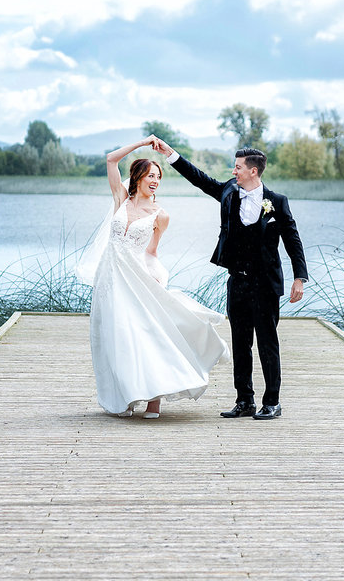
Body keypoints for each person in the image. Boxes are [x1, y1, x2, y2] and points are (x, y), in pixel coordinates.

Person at [152, 139, 308, 420]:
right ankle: (244, 400)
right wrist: (171, 155)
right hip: (237, 281)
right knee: (240, 343)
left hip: (266, 285)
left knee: (268, 343)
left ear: (253, 172)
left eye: (238, 167)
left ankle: (272, 402)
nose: (233, 171)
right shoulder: (227, 191)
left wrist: (299, 277)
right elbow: (199, 179)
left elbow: (293, 241)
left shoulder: (277, 202)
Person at [77, 136, 229, 419]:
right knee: (113, 338)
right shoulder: (121, 200)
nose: (155, 180)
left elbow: (152, 252)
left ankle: (154, 399)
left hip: (137, 281)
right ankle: (124, 398)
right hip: (110, 281)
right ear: (137, 178)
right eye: (150, 175)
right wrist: (141, 144)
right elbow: (111, 158)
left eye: (158, 176)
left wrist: (157, 275)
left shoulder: (161, 215)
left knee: (142, 335)